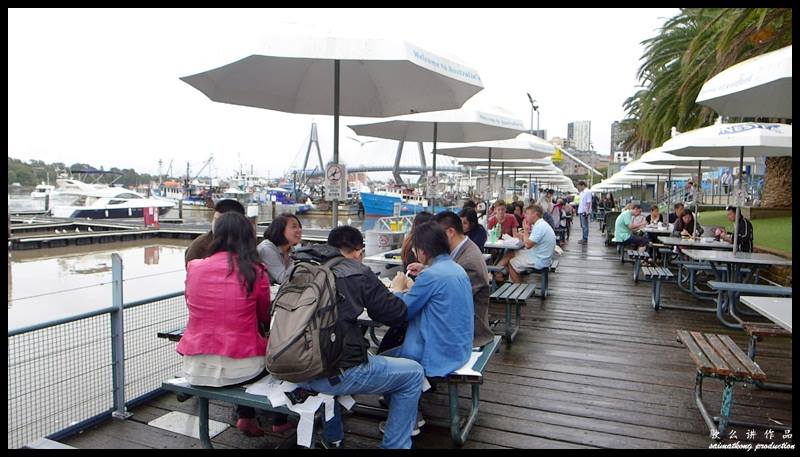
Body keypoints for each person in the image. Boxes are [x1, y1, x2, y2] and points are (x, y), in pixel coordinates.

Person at [289, 226, 423, 449]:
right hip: (332, 373)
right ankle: (395, 446)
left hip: (294, 366)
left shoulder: (302, 266)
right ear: (359, 252)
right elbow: (396, 315)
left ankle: (333, 437)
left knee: (333, 353)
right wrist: (398, 290)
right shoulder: (357, 272)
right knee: (413, 374)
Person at [178, 212, 290, 437]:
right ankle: (279, 420)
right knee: (284, 353)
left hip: (195, 367)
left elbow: (191, 303)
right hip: (242, 369)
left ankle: (246, 417)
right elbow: (264, 317)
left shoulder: (194, 266)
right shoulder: (255, 271)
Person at [390, 222, 474, 378]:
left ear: (422, 251)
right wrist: (424, 270)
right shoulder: (456, 268)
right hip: (459, 348)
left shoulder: (431, 276)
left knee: (385, 358)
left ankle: (396, 398)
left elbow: (402, 311)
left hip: (438, 354)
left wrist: (397, 289)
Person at [406, 211, 493, 348]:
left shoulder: (469, 261)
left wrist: (410, 289)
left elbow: (451, 297)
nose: (434, 239)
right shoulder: (464, 250)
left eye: (438, 235)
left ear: (451, 232)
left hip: (469, 334)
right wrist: (425, 269)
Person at [496, 204, 556, 283]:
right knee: (511, 253)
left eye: (527, 213)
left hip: (540, 259)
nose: (525, 216)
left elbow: (527, 245)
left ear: (535, 214)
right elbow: (530, 241)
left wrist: (526, 231)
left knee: (512, 263)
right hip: (541, 255)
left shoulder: (540, 226)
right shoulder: (541, 224)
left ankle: (518, 288)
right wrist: (525, 234)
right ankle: (497, 273)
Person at [184, 199, 246, 267]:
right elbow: (192, 272)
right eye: (215, 219)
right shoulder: (199, 246)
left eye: (220, 221)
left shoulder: (247, 242)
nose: (216, 224)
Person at [257, 213, 303, 285]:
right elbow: (283, 279)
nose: (299, 230)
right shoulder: (266, 249)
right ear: (280, 229)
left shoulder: (290, 249)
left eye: (299, 227)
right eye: (294, 227)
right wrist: (301, 258)